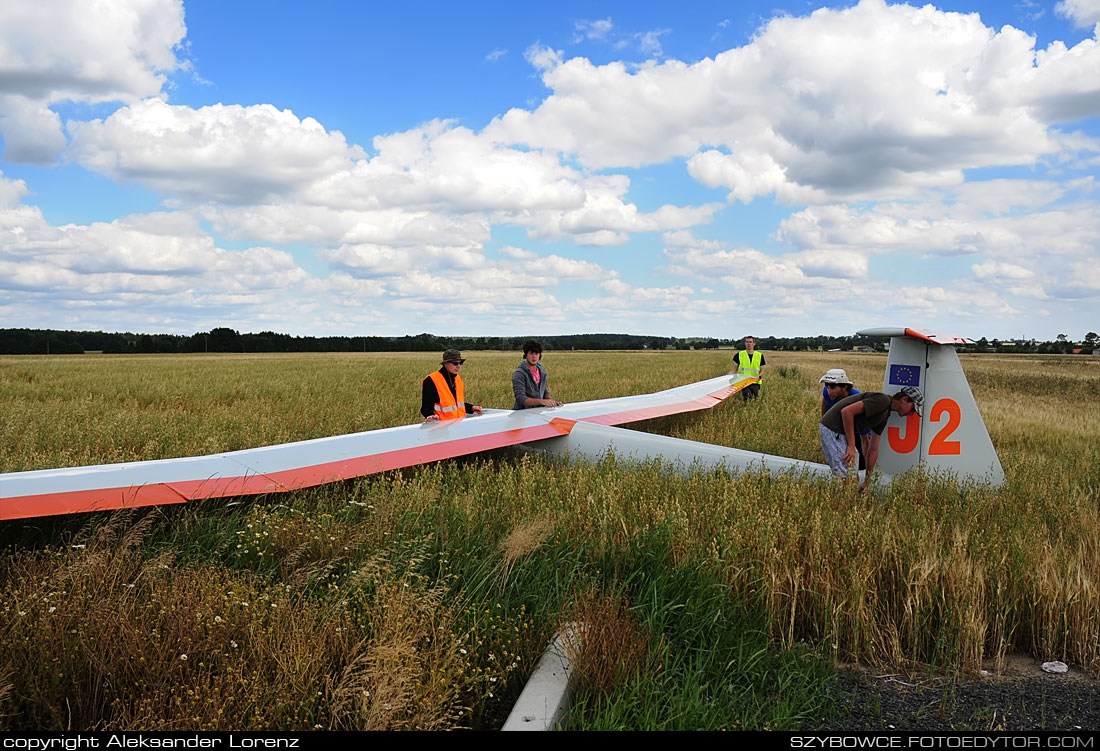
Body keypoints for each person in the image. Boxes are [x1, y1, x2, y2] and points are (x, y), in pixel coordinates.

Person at [819, 386, 923, 490]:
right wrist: (851, 445)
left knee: (854, 478)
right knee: (849, 479)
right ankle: (841, 503)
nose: (911, 413)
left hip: (837, 432)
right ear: (904, 399)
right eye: (912, 408)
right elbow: (847, 412)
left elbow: (873, 450)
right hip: (832, 429)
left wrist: (867, 481)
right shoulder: (882, 401)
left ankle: (845, 500)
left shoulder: (884, 415)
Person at [819, 368, 867, 471]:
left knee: (857, 463)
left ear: (844, 387)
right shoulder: (827, 393)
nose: (829, 391)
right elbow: (825, 406)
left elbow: (865, 437)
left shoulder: (857, 398)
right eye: (826, 386)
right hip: (838, 429)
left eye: (832, 387)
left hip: (856, 432)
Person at [421, 349, 484, 422]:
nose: (458, 366)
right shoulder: (431, 380)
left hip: (459, 426)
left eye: (460, 363)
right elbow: (426, 408)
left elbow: (455, 404)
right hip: (442, 428)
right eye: (455, 363)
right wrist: (430, 416)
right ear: (445, 363)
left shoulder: (458, 379)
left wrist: (471, 408)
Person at [512, 339, 563, 410]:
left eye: (536, 353)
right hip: (522, 414)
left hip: (538, 412)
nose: (534, 356)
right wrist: (542, 401)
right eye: (531, 353)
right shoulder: (519, 374)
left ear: (540, 355)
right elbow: (521, 399)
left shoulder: (542, 372)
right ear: (525, 355)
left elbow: (545, 392)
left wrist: (551, 402)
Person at [732, 335, 765, 401]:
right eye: (747, 342)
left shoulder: (759, 355)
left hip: (755, 382)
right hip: (744, 382)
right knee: (747, 398)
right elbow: (734, 370)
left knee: (755, 400)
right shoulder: (739, 355)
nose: (749, 344)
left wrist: (759, 375)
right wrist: (726, 377)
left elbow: (762, 370)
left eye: (750, 342)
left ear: (754, 343)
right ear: (745, 343)